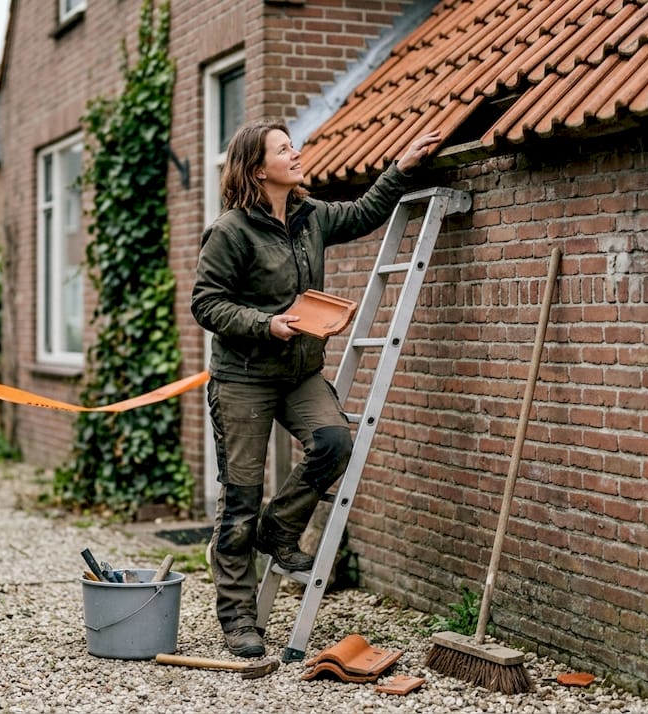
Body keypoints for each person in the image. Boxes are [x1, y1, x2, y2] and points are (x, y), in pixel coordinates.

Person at [191, 119, 441, 658]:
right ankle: (237, 619)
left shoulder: (310, 217)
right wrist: (267, 323)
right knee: (238, 498)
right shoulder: (230, 231)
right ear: (258, 169)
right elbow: (206, 304)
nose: (296, 152)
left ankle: (279, 529)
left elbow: (364, 213)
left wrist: (401, 167)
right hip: (244, 379)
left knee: (334, 442)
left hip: (299, 373)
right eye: (284, 149)